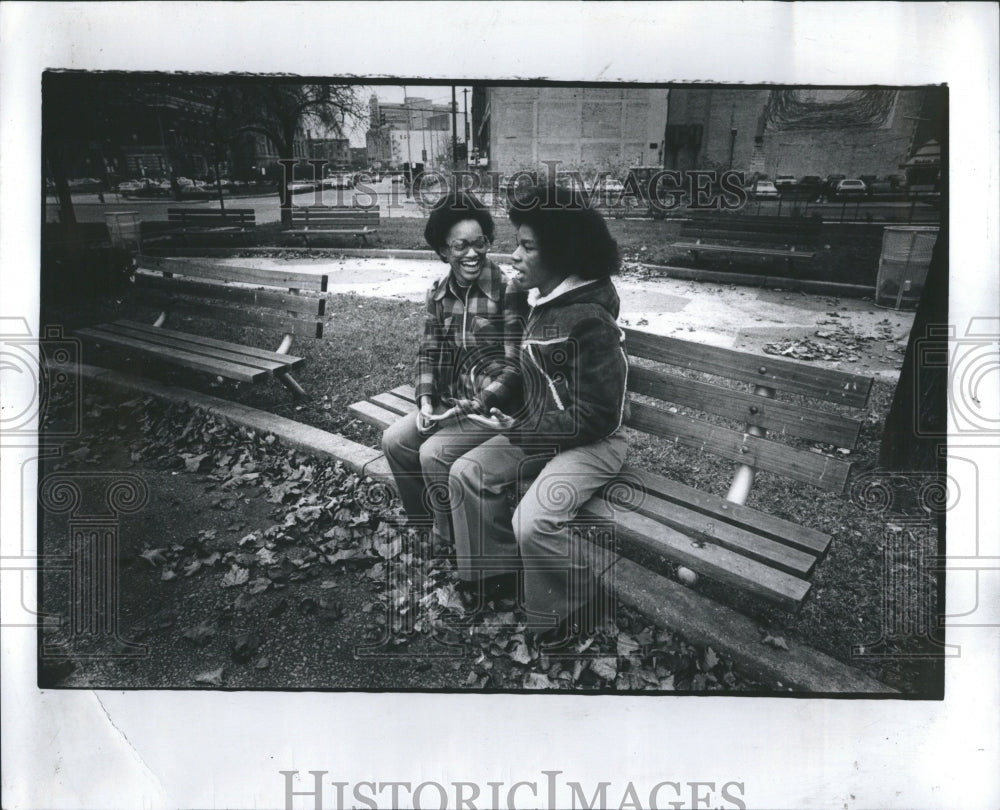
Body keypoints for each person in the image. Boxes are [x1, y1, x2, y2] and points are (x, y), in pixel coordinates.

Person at [447, 184, 629, 644]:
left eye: (527, 247)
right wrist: (492, 399)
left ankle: (570, 609)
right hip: (542, 433)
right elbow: (534, 379)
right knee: (467, 471)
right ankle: (493, 575)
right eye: (517, 244)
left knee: (534, 519)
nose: (513, 255)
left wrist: (525, 429)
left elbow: (599, 416)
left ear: (562, 253)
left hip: (594, 445)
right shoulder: (547, 304)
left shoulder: (588, 317)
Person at [381, 190, 525, 572]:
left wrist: (473, 405)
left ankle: (454, 544)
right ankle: (429, 526)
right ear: (444, 251)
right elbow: (428, 352)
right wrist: (426, 400)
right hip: (448, 404)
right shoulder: (439, 293)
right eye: (461, 245)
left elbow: (516, 369)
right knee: (394, 440)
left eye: (480, 243)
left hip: (490, 411)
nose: (472, 254)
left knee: (433, 453)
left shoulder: (509, 292)